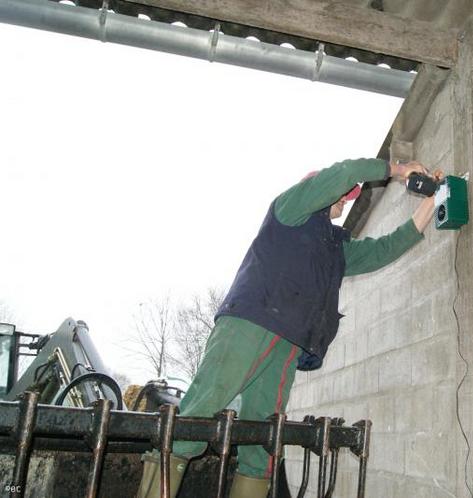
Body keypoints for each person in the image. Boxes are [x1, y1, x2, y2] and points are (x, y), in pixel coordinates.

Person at [136, 158, 443, 498]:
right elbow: (341, 174)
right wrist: (397, 170)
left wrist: (433, 201)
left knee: (266, 436)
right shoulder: (290, 210)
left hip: (288, 342)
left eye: (346, 197)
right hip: (249, 323)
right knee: (198, 413)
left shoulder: (334, 249)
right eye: (340, 194)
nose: (343, 198)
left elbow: (383, 250)